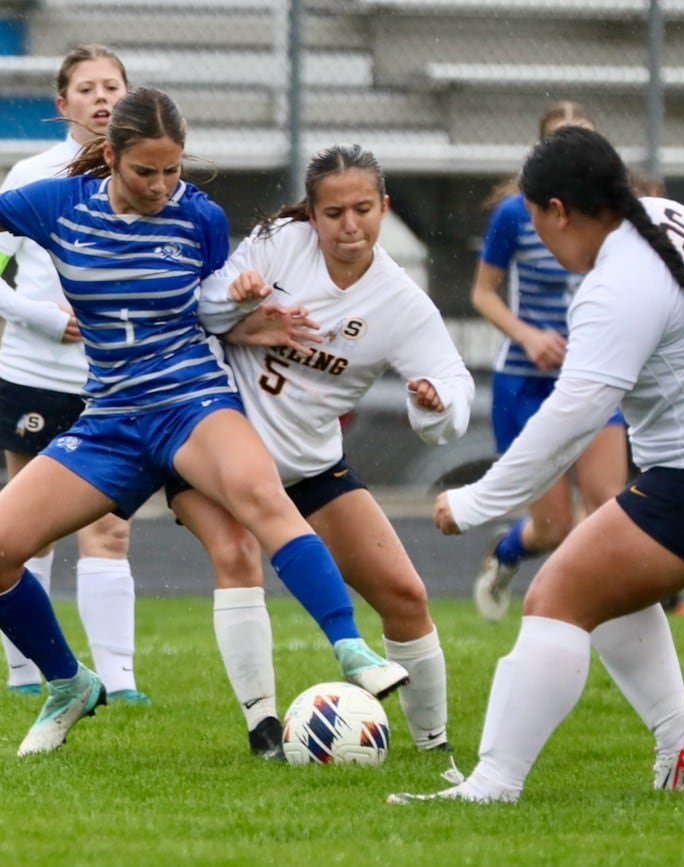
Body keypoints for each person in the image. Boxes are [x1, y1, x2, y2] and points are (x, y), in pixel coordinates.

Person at [0, 86, 408, 758]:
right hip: (111, 419)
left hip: (193, 401)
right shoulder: (57, 205)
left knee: (262, 506)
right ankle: (69, 682)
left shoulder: (200, 217)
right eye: (146, 171)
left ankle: (352, 650)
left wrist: (253, 317)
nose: (162, 187)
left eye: (173, 170)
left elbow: (215, 309)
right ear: (110, 156)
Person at [389, 126, 684, 804]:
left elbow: (568, 422)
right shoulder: (672, 218)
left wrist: (475, 501)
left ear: (559, 211)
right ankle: (679, 737)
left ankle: (492, 786)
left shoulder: (616, 283)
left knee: (554, 597)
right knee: (602, 573)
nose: (541, 241)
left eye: (536, 222)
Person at [176, 144, 474, 757]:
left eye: (363, 209)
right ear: (311, 214)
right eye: (333, 211)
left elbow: (454, 383)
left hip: (308, 464)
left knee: (405, 594)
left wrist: (436, 400)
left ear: (384, 208)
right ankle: (263, 731)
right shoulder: (279, 242)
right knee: (236, 553)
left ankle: (433, 750)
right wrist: (241, 299)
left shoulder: (400, 300)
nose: (349, 225)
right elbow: (200, 305)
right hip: (214, 449)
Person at [0, 43, 149, 702]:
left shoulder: (151, 176)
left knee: (110, 527)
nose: (102, 98)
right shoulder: (30, 174)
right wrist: (43, 316)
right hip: (36, 374)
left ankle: (120, 682)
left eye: (113, 87)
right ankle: (26, 672)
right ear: (62, 104)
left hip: (115, 384)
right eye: (87, 88)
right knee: (25, 526)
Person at [467, 101, 629, 622]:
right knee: (554, 526)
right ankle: (509, 550)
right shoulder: (516, 214)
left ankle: (582, 611)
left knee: (610, 507)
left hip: (592, 378)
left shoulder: (614, 218)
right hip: (527, 382)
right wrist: (530, 336)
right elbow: (483, 294)